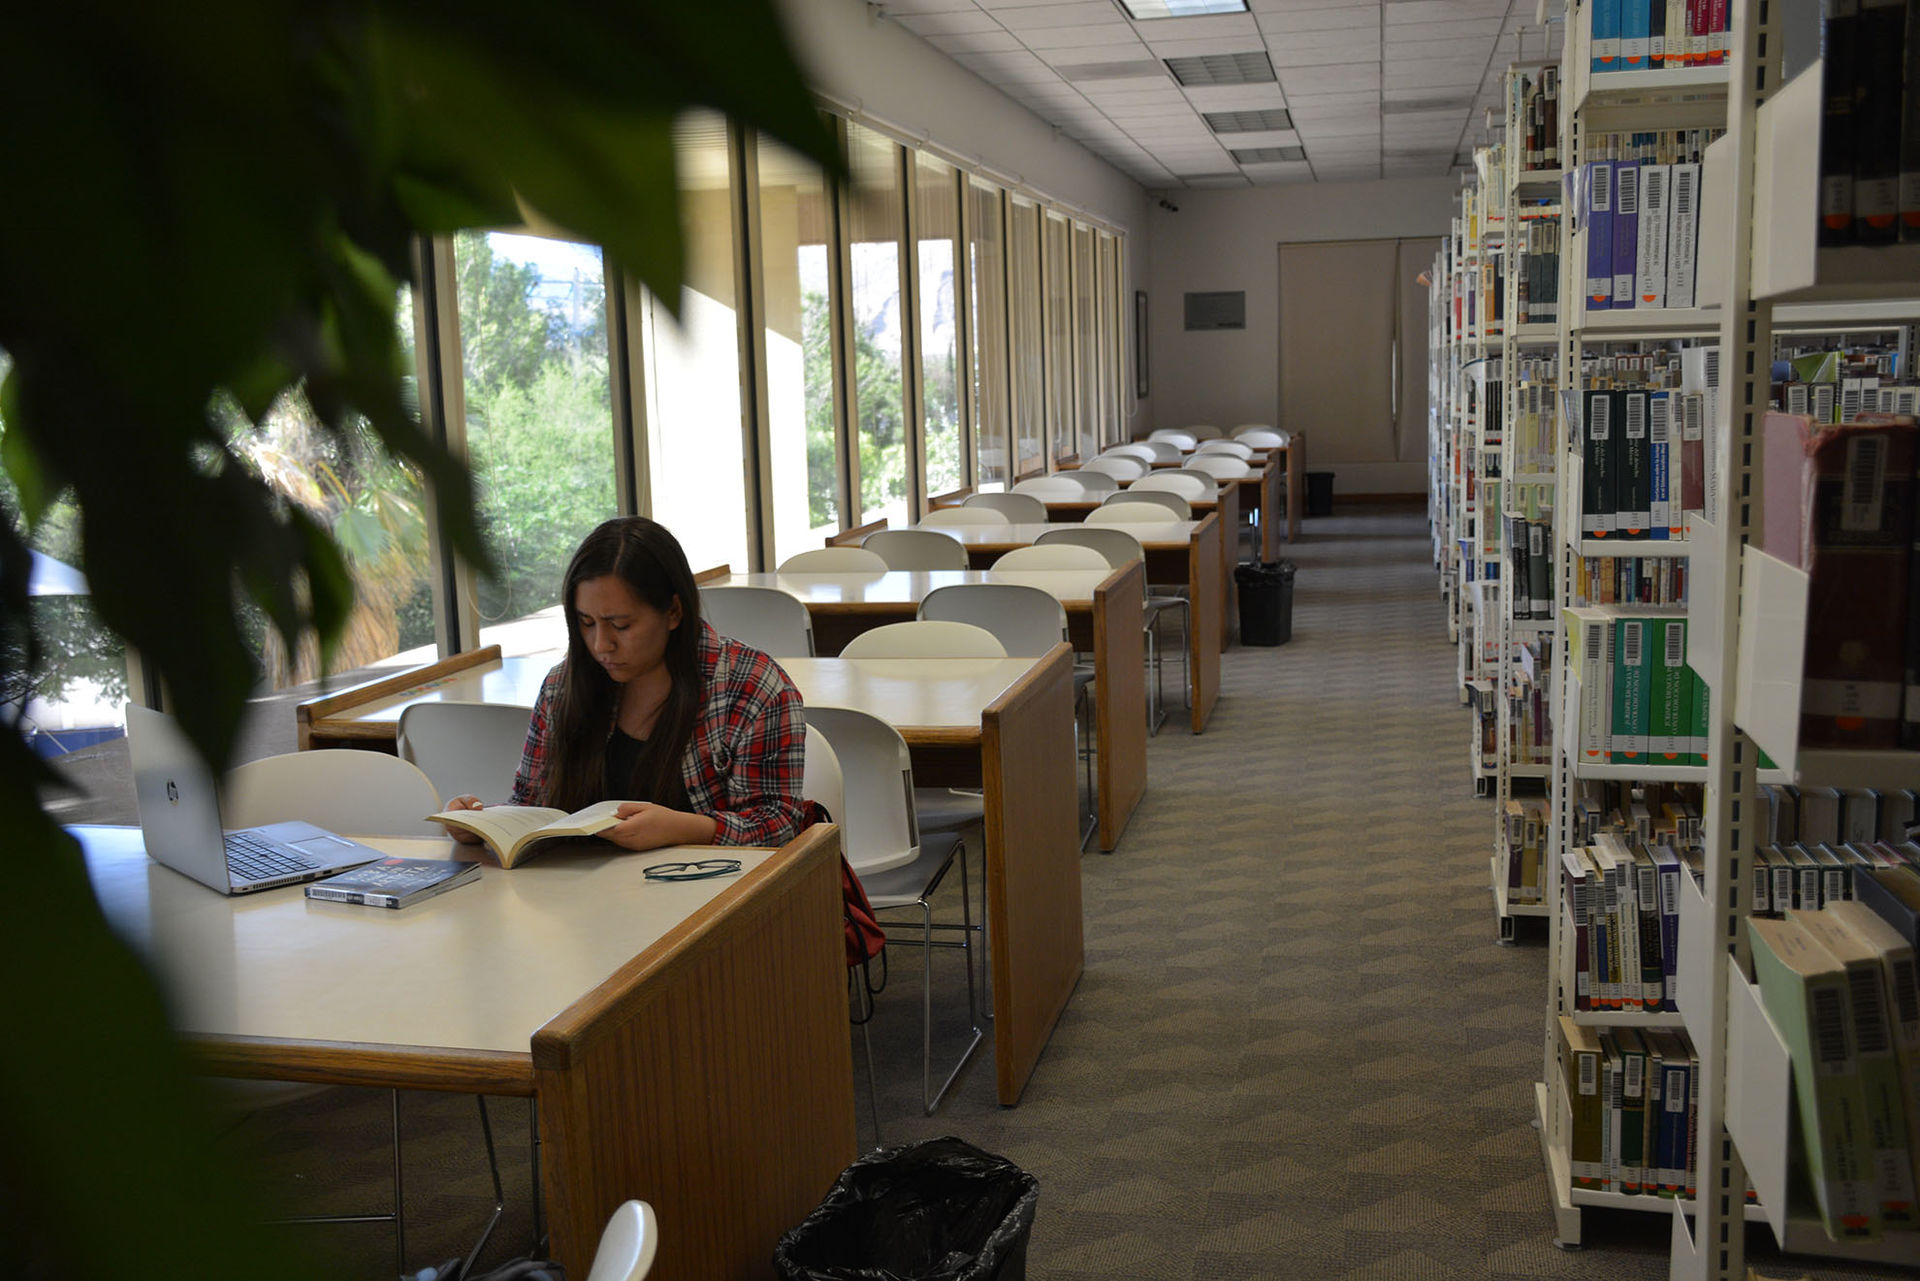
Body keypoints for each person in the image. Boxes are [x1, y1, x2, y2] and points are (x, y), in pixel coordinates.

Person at [445, 517, 809, 851]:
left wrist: (687, 829)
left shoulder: (752, 688)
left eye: (620, 625)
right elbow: (530, 805)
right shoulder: (563, 686)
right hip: (582, 900)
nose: (602, 645)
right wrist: (483, 821)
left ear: (673, 612)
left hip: (711, 898)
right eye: (586, 623)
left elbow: (778, 828)